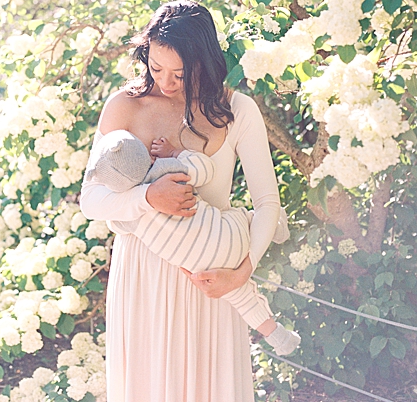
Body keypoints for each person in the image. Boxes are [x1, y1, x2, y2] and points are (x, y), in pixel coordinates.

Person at [79, 0, 285, 402]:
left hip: (214, 280)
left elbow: (267, 203)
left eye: (179, 73)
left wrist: (241, 274)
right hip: (143, 280)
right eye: (156, 68)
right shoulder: (125, 106)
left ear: (205, 61)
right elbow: (92, 199)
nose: (166, 83)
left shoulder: (237, 110)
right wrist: (147, 198)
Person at [87, 129, 299, 354]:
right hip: (227, 235)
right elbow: (205, 169)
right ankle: (273, 227)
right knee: (242, 217)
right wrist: (175, 153)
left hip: (204, 267)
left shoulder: (129, 213)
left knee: (242, 298)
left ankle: (277, 336)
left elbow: (113, 223)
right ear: (147, 155)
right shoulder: (166, 170)